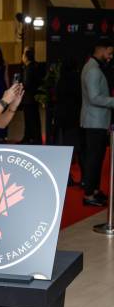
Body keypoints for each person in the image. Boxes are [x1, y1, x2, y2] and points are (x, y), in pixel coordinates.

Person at [80, 39, 114, 206]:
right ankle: (89, 196)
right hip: (95, 122)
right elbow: (94, 98)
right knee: (94, 159)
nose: (110, 57)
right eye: (109, 53)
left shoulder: (91, 66)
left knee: (97, 158)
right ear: (101, 49)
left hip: (96, 121)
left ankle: (94, 191)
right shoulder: (93, 69)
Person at [54, 58, 82, 186]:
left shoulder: (61, 79)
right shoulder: (76, 78)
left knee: (65, 145)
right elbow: (79, 96)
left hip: (62, 117)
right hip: (73, 116)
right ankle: (68, 176)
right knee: (72, 146)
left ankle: (65, 175)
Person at [21, 47, 42, 145]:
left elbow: (27, 83)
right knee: (34, 119)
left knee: (29, 119)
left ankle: (30, 138)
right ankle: (34, 137)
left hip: (28, 98)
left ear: (26, 57)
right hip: (34, 97)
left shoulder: (28, 68)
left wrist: (20, 86)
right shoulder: (36, 66)